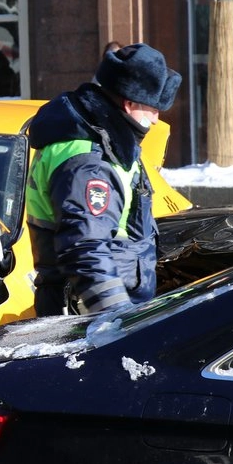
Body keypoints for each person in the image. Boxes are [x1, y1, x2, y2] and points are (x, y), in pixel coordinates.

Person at [26, 43, 181, 317]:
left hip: (95, 310)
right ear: (129, 104)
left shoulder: (101, 140)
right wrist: (118, 320)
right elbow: (86, 248)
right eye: (153, 109)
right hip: (92, 318)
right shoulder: (91, 161)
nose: (156, 120)